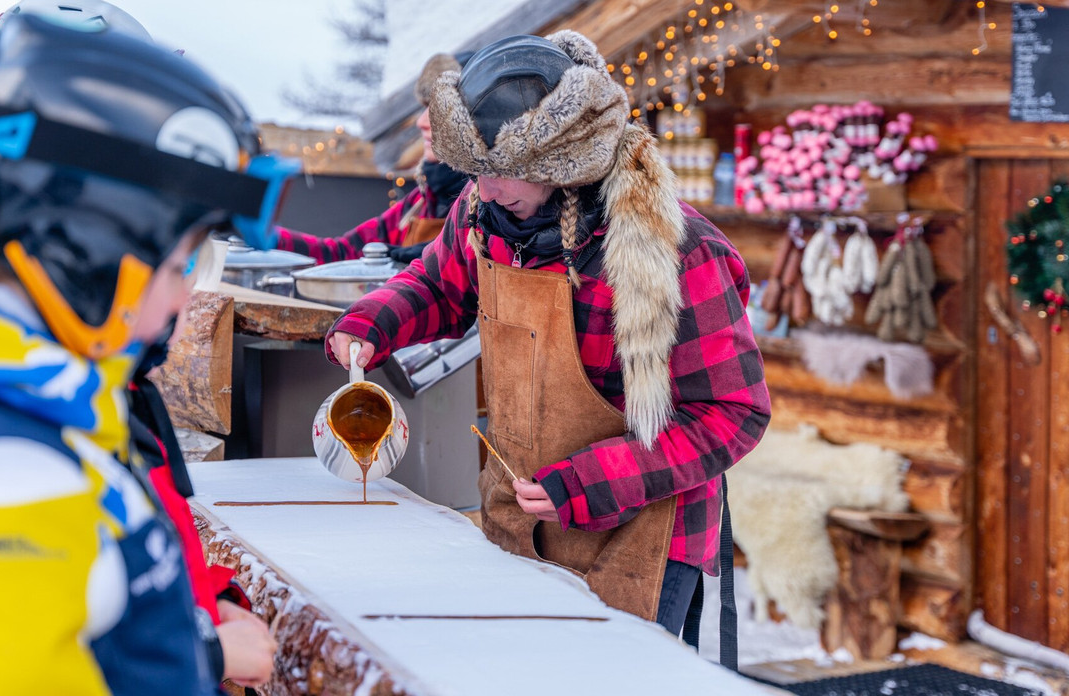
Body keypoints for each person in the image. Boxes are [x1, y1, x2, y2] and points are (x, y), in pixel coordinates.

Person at [325, 31, 772, 644]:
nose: (483, 189)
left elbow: (733, 413)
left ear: (564, 164)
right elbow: (436, 284)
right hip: (519, 519)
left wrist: (591, 481)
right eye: (475, 172)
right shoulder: (486, 213)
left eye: (503, 173)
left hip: (641, 538)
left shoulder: (677, 250)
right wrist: (370, 324)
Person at [0, 0, 289, 693]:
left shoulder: (55, 403)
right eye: (180, 263)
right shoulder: (19, 473)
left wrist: (194, 624)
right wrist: (205, 653)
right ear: (89, 255)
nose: (185, 298)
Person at [276, 52, 472, 266]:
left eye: (438, 110)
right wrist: (272, 239)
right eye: (425, 108)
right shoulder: (420, 201)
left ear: (469, 119)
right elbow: (343, 253)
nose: (421, 122)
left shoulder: (484, 206)